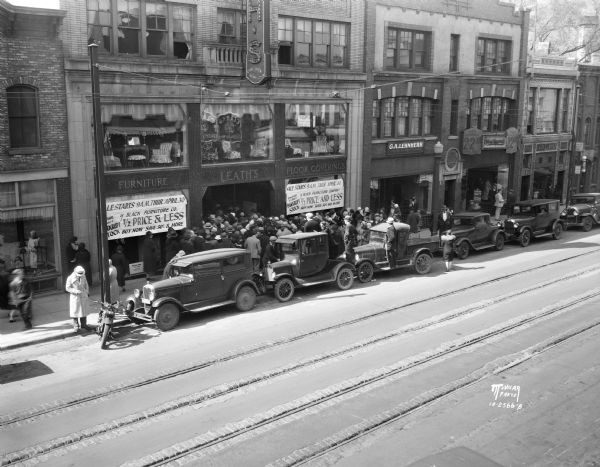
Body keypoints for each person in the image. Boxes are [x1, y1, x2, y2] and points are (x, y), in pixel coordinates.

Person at [65, 265, 91, 332]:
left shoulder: (83, 276)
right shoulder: (70, 278)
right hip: (75, 297)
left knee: (83, 311)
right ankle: (76, 326)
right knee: (75, 312)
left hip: (83, 295)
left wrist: (87, 292)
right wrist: (75, 291)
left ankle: (84, 324)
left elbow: (86, 284)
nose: (80, 275)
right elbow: (67, 288)